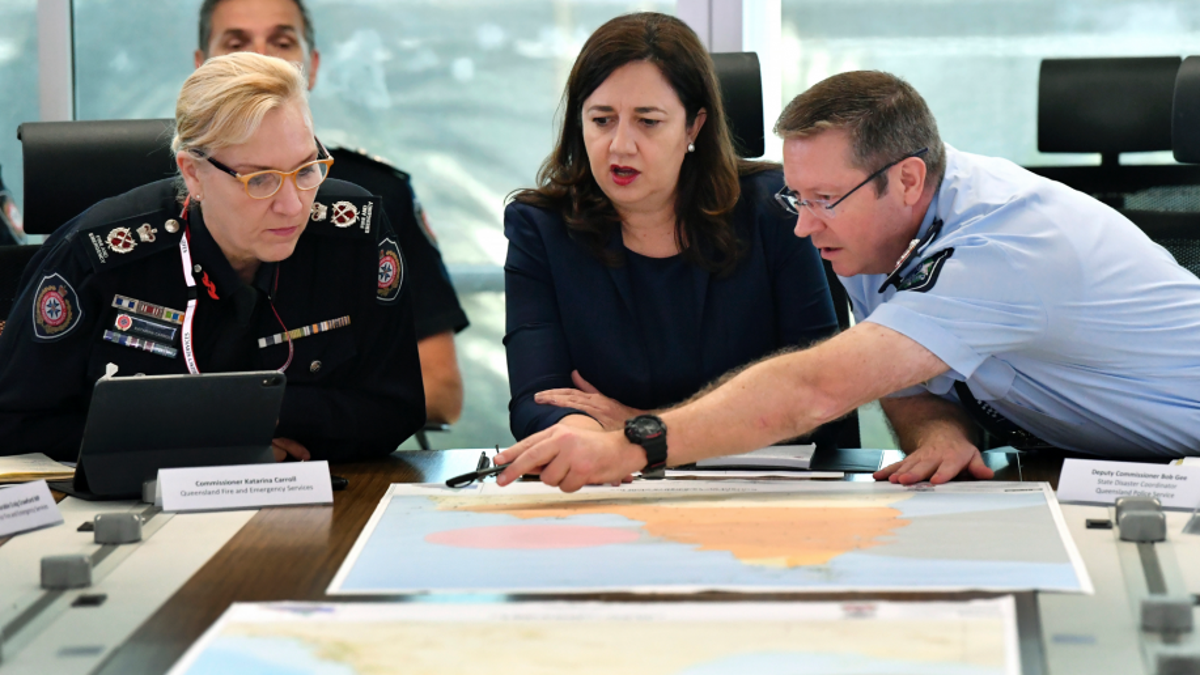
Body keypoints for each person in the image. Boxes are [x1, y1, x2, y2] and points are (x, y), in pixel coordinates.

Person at [494, 69, 1200, 493]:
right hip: (1097, 470)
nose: (803, 227)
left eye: (823, 200)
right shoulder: (882, 228)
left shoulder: (1004, 246)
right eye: (797, 198)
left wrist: (634, 440)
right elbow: (895, 369)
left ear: (908, 179)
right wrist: (937, 428)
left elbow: (819, 386)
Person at [0, 52, 425, 462]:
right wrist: (207, 447)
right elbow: (15, 424)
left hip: (311, 502)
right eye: (260, 180)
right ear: (192, 172)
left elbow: (397, 408)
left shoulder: (354, 233)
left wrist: (261, 418)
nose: (294, 206)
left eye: (306, 169)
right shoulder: (97, 254)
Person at [504, 12, 839, 444]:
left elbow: (818, 394)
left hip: (762, 485)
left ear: (693, 126)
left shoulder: (773, 209)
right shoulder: (541, 227)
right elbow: (540, 400)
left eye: (648, 121)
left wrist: (642, 426)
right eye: (601, 119)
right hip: (611, 484)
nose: (620, 145)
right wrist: (592, 438)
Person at [197, 0, 468, 424]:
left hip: (336, 465)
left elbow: (440, 390)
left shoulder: (375, 199)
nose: (260, 59)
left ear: (312, 66)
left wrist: (271, 423)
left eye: (282, 41)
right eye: (237, 43)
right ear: (201, 68)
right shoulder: (155, 204)